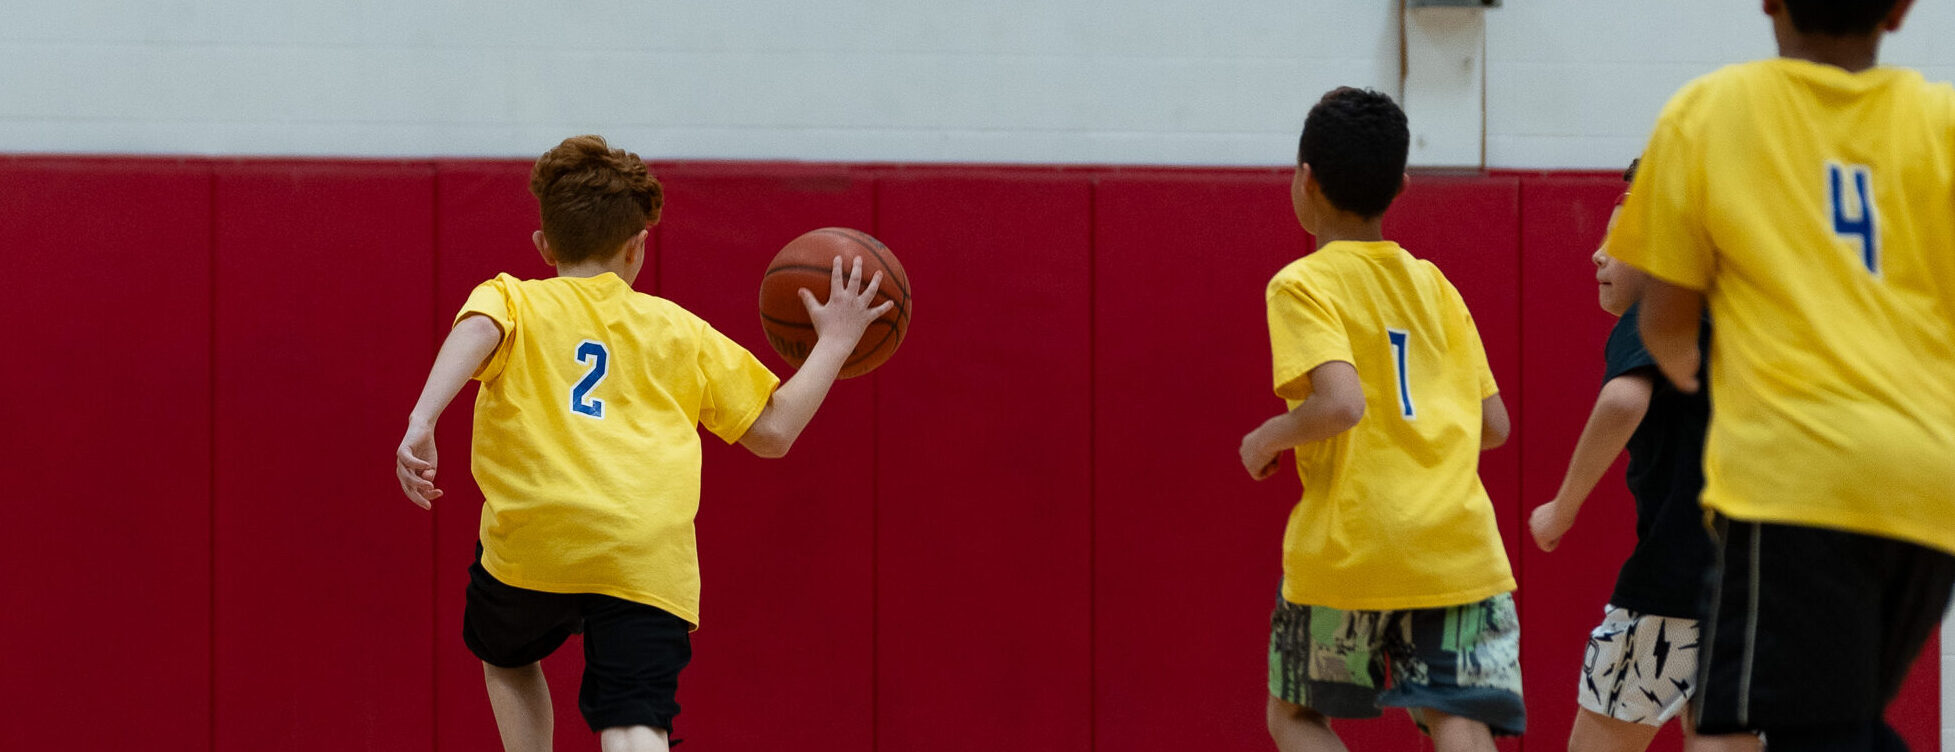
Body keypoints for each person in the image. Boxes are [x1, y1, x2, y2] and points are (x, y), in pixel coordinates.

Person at [392, 135, 892, 752]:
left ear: (544, 246)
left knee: (505, 655)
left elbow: (479, 328)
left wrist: (423, 418)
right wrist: (835, 342)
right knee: (632, 719)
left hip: (535, 540)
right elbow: (773, 432)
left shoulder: (512, 296)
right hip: (641, 549)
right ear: (637, 247)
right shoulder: (681, 331)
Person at [1607, 1, 1955, 749]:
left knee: (1781, 730)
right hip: (1926, 486)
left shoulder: (1708, 112)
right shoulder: (1942, 122)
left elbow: (1664, 325)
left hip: (1793, 481)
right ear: (1898, 12)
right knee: (1827, 721)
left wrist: (1698, 373)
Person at [1238, 86, 1522, 752]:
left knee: (1297, 716)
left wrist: (1266, 437)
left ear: (1304, 180)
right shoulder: (1435, 285)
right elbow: (1495, 426)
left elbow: (1339, 404)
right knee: (1455, 714)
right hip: (1454, 545)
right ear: (1399, 183)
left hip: (1349, 547)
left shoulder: (1303, 283)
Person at [1529, 160, 1714, 752]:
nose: (1597, 256)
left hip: (1673, 588)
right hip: (1761, 589)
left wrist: (1563, 507)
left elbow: (1622, 398)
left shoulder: (1659, 312)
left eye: (1616, 239)